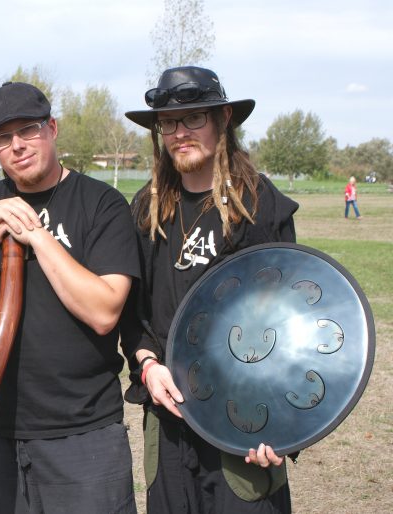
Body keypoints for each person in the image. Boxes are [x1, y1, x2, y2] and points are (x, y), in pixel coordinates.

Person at [0, 82, 140, 513]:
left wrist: (38, 238)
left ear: (53, 129)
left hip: (83, 434)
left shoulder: (102, 204)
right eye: (2, 139)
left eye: (28, 130)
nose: (17, 146)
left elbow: (104, 311)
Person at [120, 66, 299, 514]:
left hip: (244, 421)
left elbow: (291, 320)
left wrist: (282, 424)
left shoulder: (260, 204)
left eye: (193, 118)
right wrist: (146, 365)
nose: (180, 132)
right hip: (169, 417)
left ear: (223, 121)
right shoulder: (147, 208)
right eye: (168, 123)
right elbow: (132, 313)